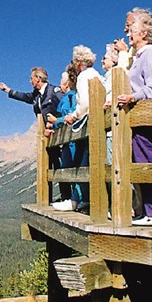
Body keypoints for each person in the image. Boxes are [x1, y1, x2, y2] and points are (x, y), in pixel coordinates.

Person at [115, 8, 152, 226]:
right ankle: (149, 211)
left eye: (132, 31)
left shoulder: (150, 56)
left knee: (148, 160)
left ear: (144, 33)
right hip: (138, 117)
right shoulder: (140, 57)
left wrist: (131, 96)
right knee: (141, 160)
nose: (128, 34)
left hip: (147, 116)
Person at [62, 46, 100, 212]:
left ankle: (78, 199)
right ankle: (82, 199)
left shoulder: (84, 76)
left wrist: (74, 115)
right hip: (97, 123)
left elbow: (84, 103)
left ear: (78, 61)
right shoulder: (96, 74)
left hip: (91, 123)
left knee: (86, 162)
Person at [47, 68, 81, 210]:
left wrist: (57, 120)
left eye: (61, 81)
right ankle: (72, 198)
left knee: (76, 167)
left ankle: (78, 199)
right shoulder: (65, 98)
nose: (60, 83)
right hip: (66, 140)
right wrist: (53, 126)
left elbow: (72, 114)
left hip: (74, 139)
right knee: (66, 168)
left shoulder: (73, 96)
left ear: (66, 83)